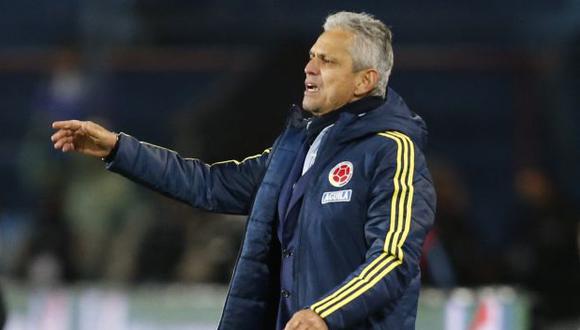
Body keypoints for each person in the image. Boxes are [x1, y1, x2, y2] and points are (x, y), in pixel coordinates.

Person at [51, 11, 436, 330]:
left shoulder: (392, 150)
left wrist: (324, 313)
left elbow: (392, 257)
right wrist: (119, 149)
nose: (309, 68)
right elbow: (209, 185)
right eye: (312, 56)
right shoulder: (297, 147)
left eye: (327, 60)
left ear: (365, 81)